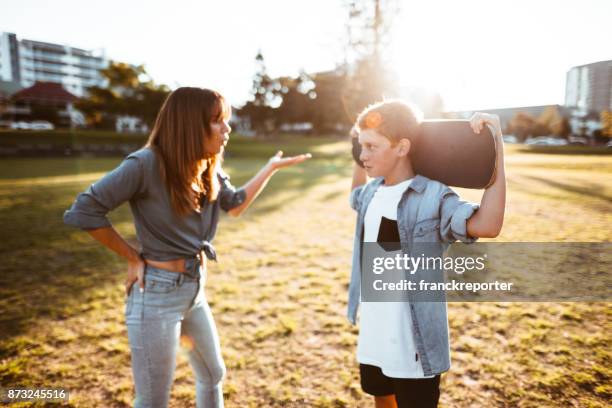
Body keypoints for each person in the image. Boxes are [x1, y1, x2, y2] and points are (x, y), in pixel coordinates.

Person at [63, 87, 311, 408]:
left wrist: (270, 168)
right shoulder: (145, 164)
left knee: (213, 374)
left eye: (227, 121)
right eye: (217, 121)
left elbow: (234, 205)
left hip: (193, 291)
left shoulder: (207, 167)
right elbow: (85, 210)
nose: (227, 129)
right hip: (155, 297)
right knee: (153, 400)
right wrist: (132, 257)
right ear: (189, 124)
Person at [348, 100, 506, 408]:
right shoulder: (371, 192)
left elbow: (488, 225)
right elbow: (354, 197)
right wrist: (360, 155)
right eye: (359, 146)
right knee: (382, 399)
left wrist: (496, 147)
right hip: (374, 331)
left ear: (402, 147)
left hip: (413, 343)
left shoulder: (433, 195)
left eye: (371, 147)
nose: (362, 155)